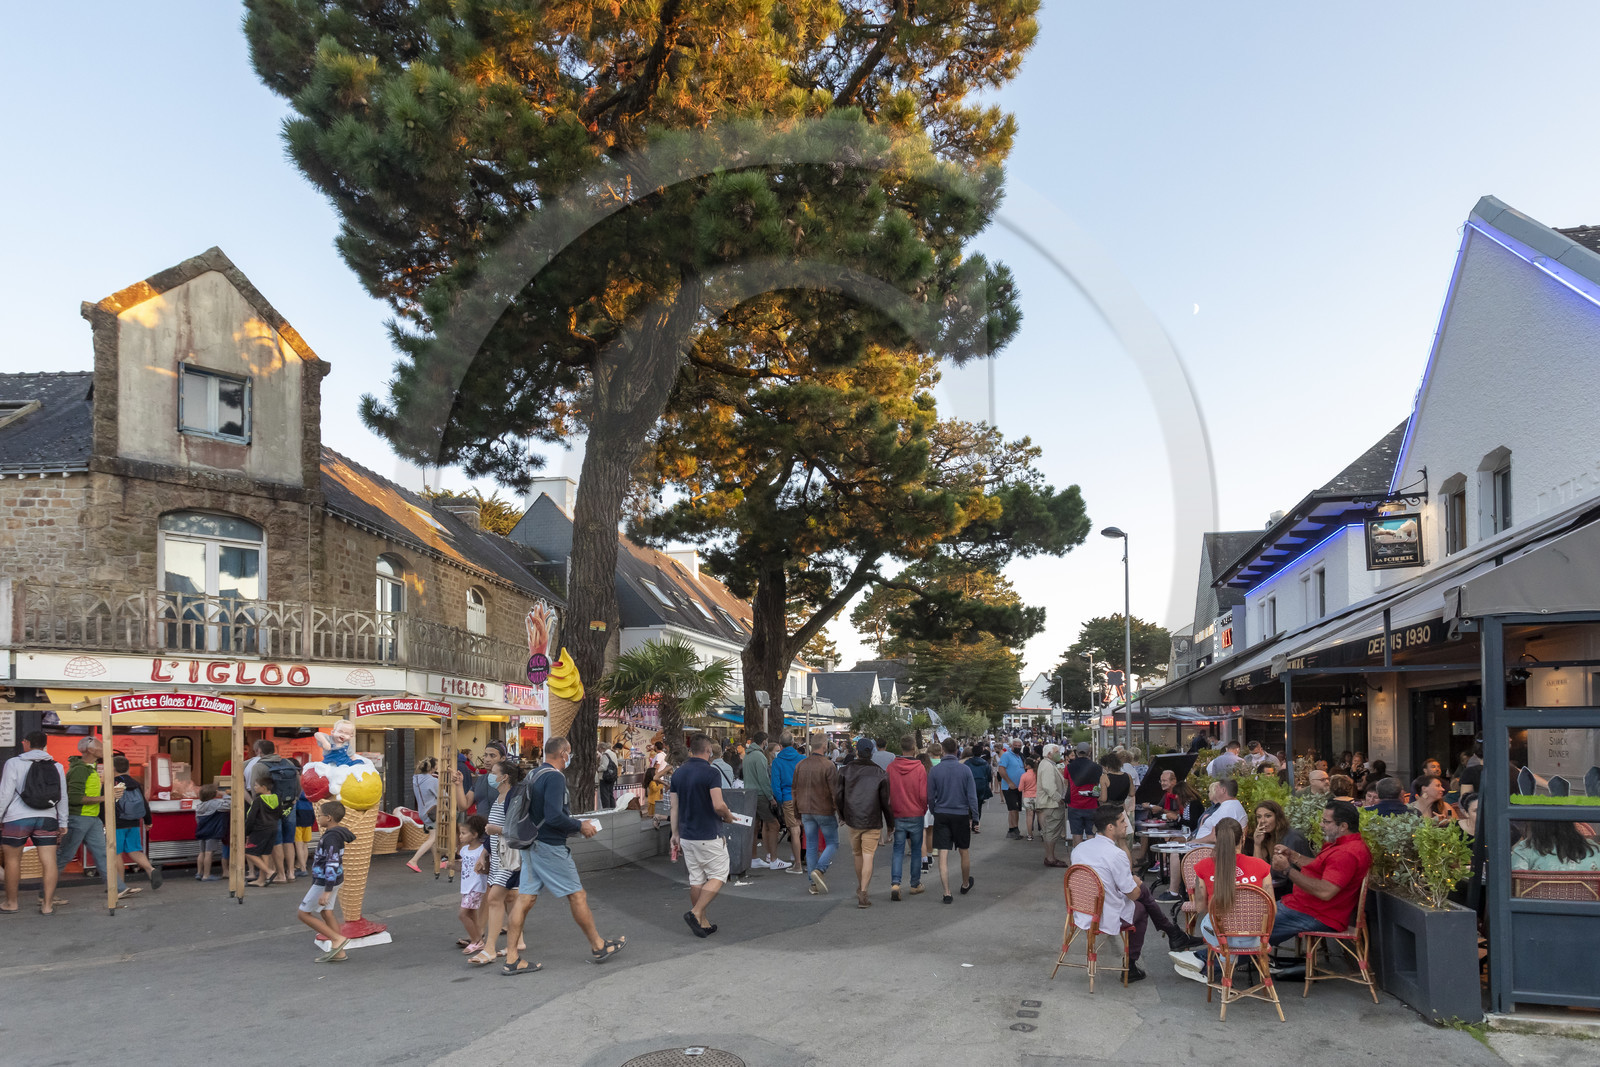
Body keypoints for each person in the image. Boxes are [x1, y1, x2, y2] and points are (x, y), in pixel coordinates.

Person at [501, 736, 625, 975]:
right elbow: (555, 816)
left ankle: (513, 958)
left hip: (530, 843)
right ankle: (598, 946)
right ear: (564, 753)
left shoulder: (534, 775)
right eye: (570, 752)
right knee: (577, 895)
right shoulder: (555, 778)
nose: (570, 756)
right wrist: (581, 826)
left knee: (525, 900)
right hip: (550, 846)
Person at [1074, 804, 1201, 983]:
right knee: (1141, 905)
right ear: (1110, 827)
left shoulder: (1080, 848)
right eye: (1122, 821)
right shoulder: (1115, 854)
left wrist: (1129, 873)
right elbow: (1133, 895)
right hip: (1106, 913)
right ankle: (1132, 963)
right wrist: (1137, 881)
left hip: (1082, 909)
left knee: (1141, 893)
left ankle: (1173, 933)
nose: (1126, 824)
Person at [1172, 816, 1271, 983]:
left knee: (1208, 923)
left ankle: (1222, 962)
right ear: (1243, 838)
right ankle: (1220, 963)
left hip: (1222, 936)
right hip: (1256, 938)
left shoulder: (1203, 866)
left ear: (1216, 839)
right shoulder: (1261, 866)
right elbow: (1270, 905)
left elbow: (1200, 907)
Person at [1267, 801, 1373, 957]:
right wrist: (1293, 856)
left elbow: (1325, 892)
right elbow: (1320, 866)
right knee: (1251, 922)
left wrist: (1286, 870)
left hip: (1315, 913)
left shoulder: (1346, 853)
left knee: (1251, 926)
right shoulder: (1345, 846)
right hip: (1306, 908)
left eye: (1326, 821)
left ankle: (1225, 967)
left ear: (1343, 826)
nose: (1321, 824)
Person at [671, 734, 734, 936]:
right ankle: (695, 912)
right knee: (719, 875)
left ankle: (702, 921)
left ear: (691, 751)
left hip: (687, 835)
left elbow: (674, 807)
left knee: (696, 879)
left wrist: (674, 834)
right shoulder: (711, 773)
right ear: (708, 752)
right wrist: (728, 816)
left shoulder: (678, 773)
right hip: (708, 833)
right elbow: (718, 804)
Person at [0, 731, 68, 914]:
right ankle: (47, 906)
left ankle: (11, 903)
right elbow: (62, 796)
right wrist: (63, 821)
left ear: (27, 743)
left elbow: (5, 794)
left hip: (17, 818)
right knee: (49, 861)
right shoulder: (57, 766)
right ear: (45, 745)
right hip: (47, 818)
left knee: (13, 860)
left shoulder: (13, 763)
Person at [467, 756, 526, 966]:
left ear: (505, 777)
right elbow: (493, 834)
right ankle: (518, 941)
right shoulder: (501, 797)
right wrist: (485, 854)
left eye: (494, 773)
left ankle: (489, 948)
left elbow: (518, 830)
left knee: (494, 898)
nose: (491, 775)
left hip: (510, 858)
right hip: (500, 857)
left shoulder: (514, 798)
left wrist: (496, 830)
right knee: (510, 898)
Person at [57, 735, 126, 899]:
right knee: (64, 856)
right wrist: (106, 798)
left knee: (103, 853)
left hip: (91, 818)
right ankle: (44, 893)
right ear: (90, 750)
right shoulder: (80, 769)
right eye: (100, 746)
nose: (104, 749)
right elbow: (74, 798)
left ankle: (119, 888)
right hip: (79, 818)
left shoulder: (89, 767)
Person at [1158, 779, 1246, 901]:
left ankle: (1176, 892)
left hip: (1209, 849)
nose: (1215, 791)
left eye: (1217, 788)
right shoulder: (1228, 806)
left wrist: (1194, 842)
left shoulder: (1228, 808)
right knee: (1175, 847)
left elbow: (1215, 837)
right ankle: (1180, 891)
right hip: (1208, 846)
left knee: (1175, 851)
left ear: (1223, 790)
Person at [837, 738, 895, 908]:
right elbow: (886, 802)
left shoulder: (845, 771)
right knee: (868, 855)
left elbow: (838, 796)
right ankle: (864, 889)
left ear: (857, 751)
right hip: (872, 819)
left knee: (857, 854)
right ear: (873, 751)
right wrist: (890, 824)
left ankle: (861, 886)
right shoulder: (880, 773)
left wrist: (842, 815)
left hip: (853, 818)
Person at [297, 799, 354, 964]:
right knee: (326, 912)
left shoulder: (331, 838)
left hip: (325, 881)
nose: (318, 818)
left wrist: (327, 890)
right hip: (334, 879)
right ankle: (339, 952)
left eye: (320, 815)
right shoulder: (336, 834)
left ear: (328, 817)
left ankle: (337, 939)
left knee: (303, 913)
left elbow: (332, 862)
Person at [928, 737, 979, 904]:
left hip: (942, 813)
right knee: (963, 850)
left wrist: (935, 810)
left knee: (943, 853)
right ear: (957, 750)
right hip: (961, 815)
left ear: (942, 750)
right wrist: (975, 818)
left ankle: (946, 892)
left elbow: (930, 797)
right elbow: (972, 796)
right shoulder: (965, 770)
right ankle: (965, 883)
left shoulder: (935, 771)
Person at [792, 734, 839, 894]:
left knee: (811, 844)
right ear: (825, 746)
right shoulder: (828, 766)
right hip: (824, 809)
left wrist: (796, 813)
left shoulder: (801, 765)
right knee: (833, 842)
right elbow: (835, 792)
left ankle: (813, 884)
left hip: (805, 809)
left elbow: (794, 791)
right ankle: (819, 870)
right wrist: (840, 812)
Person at [1241, 799, 1311, 899]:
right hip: (1274, 890)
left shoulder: (1292, 838)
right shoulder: (1266, 837)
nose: (1262, 820)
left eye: (1268, 816)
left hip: (1292, 892)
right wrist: (1257, 844)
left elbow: (1279, 875)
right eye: (1259, 817)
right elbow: (1258, 870)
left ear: (1277, 817)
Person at [111, 755, 162, 891]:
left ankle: (119, 886)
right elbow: (144, 803)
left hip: (117, 822)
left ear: (113, 768)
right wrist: (148, 821)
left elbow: (109, 804)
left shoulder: (113, 784)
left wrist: (104, 821)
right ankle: (150, 870)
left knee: (116, 853)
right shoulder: (134, 783)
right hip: (134, 822)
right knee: (134, 850)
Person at [887, 734, 928, 901]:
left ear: (901, 747)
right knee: (916, 850)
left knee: (897, 849)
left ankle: (895, 883)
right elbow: (924, 795)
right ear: (914, 749)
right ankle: (914, 883)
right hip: (915, 812)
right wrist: (923, 809)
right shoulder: (919, 768)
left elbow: (886, 791)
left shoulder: (891, 767)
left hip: (897, 812)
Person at [742, 732, 786, 871]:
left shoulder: (747, 756)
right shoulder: (759, 756)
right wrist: (771, 798)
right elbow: (764, 780)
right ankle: (773, 859)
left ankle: (754, 857)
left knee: (755, 827)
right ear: (764, 741)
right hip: (761, 795)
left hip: (749, 794)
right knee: (774, 825)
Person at [768, 732, 806, 872]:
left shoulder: (777, 761)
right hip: (802, 797)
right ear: (792, 743)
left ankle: (797, 864)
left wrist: (780, 801)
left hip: (787, 797)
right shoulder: (802, 758)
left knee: (794, 830)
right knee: (806, 829)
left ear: (780, 744)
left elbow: (775, 785)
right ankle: (809, 860)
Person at [452, 739, 510, 820]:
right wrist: (459, 784)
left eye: (492, 756)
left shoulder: (509, 781)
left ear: (503, 758)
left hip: (501, 830)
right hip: (481, 830)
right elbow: (463, 806)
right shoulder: (479, 780)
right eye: (485, 755)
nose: (487, 759)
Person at [244, 769, 282, 887]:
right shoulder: (277, 798)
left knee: (249, 852)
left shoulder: (258, 801)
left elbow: (251, 818)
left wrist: (247, 832)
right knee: (265, 853)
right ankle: (261, 880)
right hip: (273, 828)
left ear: (264, 787)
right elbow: (280, 814)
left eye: (256, 785)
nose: (254, 787)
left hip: (259, 830)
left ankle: (269, 872)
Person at [1510, 821, 1600, 871]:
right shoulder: (1594, 848)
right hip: (1588, 904)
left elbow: (1515, 884)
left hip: (1539, 904)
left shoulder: (1526, 848)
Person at [457, 815, 489, 953]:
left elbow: (487, 869)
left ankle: (476, 940)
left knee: (463, 914)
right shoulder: (464, 850)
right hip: (466, 886)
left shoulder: (481, 851)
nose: (460, 836)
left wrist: (482, 869)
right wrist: (451, 866)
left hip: (475, 887)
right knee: (471, 914)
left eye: (464, 833)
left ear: (475, 834)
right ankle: (478, 939)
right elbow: (464, 867)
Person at [1035, 744, 1069, 868]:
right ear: (1049, 754)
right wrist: (1058, 798)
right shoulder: (1047, 766)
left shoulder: (1047, 764)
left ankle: (1050, 857)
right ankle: (1050, 858)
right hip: (1051, 805)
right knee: (1050, 832)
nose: (1059, 754)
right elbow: (1049, 786)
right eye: (1056, 752)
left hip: (1049, 804)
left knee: (1049, 832)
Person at [406, 757, 442, 874]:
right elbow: (442, 795)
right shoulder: (432, 781)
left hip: (422, 811)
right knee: (432, 838)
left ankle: (438, 861)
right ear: (432, 768)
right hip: (432, 812)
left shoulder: (415, 779)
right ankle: (413, 860)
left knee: (433, 838)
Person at [1065, 742, 1101, 846]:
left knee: (1076, 835)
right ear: (1089, 752)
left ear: (1076, 752)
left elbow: (1066, 783)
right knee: (1091, 834)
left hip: (1074, 804)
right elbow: (1098, 785)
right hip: (1092, 805)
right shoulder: (1097, 767)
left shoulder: (1069, 767)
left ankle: (1078, 859)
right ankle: (1090, 859)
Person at [193, 783, 229, 881]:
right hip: (212, 832)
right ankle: (206, 875)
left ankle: (199, 873)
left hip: (201, 831)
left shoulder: (199, 806)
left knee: (202, 852)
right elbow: (229, 805)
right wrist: (224, 794)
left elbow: (197, 820)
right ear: (213, 794)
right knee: (209, 853)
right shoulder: (215, 804)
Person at [996, 742, 1025, 839]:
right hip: (1009, 787)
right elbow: (1001, 770)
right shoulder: (1006, 756)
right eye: (1015, 745)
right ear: (1011, 746)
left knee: (1013, 809)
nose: (1017, 747)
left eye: (1019, 746)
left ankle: (1011, 829)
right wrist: (1009, 782)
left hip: (1019, 787)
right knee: (1013, 809)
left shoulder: (1020, 756)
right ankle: (1015, 830)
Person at [963, 745, 993, 833]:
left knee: (968, 805)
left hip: (969, 785)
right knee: (979, 805)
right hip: (981, 786)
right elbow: (989, 777)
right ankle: (976, 824)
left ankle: (969, 821)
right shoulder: (985, 763)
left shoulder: (967, 763)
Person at [596, 742, 621, 810]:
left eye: (599, 749)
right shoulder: (613, 754)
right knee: (610, 794)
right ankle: (612, 809)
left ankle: (606, 810)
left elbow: (604, 766)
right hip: (612, 777)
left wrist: (598, 769)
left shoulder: (605, 755)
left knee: (605, 795)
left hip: (605, 777)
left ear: (602, 748)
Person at [1019, 758, 1039, 840]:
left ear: (1027, 766)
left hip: (1027, 797)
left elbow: (1020, 788)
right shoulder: (1037, 774)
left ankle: (1030, 835)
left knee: (1029, 816)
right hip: (1037, 796)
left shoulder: (1024, 775)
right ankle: (1043, 833)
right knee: (1040, 815)